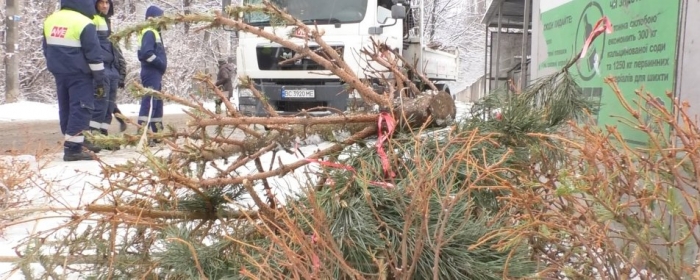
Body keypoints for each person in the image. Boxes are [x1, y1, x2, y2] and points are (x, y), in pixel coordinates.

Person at [43, 0, 105, 161]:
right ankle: (73, 149)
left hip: (59, 72)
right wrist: (100, 79)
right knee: (81, 108)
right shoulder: (84, 22)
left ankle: (76, 141)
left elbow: (46, 48)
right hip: (80, 74)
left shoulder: (51, 20)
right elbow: (94, 54)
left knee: (66, 108)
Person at [90, 0, 122, 150]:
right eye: (101, 2)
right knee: (100, 104)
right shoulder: (92, 19)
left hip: (111, 69)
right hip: (100, 68)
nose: (104, 6)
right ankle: (93, 136)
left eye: (107, 2)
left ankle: (103, 133)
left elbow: (114, 48)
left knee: (109, 105)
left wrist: (120, 70)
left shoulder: (106, 21)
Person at [137, 5, 167, 139]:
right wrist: (160, 65)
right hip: (151, 71)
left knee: (157, 101)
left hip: (155, 72)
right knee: (149, 102)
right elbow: (146, 53)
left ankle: (156, 132)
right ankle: (143, 133)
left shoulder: (154, 31)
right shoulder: (149, 31)